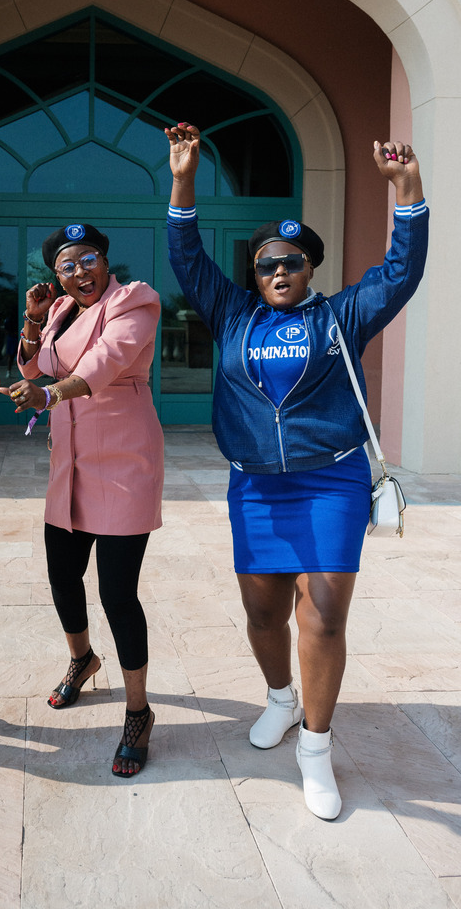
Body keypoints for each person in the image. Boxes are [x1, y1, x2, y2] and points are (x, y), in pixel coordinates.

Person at [166, 124, 428, 819]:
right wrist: (184, 181)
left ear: (310, 269)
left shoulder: (341, 316)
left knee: (325, 616)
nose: (278, 273)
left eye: (291, 262)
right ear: (253, 275)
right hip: (255, 484)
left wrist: (407, 192)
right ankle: (280, 699)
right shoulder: (232, 314)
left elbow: (399, 271)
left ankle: (316, 747)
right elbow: (186, 257)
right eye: (265, 265)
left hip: (330, 481)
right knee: (264, 613)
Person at [0, 223, 164, 777]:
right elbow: (33, 370)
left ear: (105, 260)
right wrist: (32, 321)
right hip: (69, 464)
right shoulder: (60, 310)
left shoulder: (134, 300)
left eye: (87, 259)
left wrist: (47, 394)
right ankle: (83, 659)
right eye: (67, 266)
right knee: (62, 576)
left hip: (123, 462)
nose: (79, 272)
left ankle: (138, 712)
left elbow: (104, 364)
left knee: (117, 594)